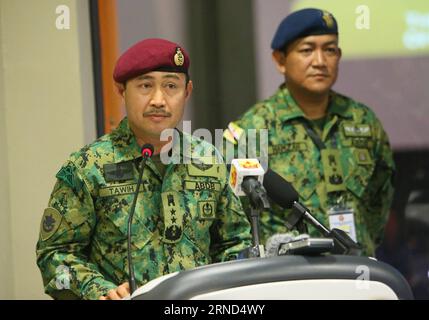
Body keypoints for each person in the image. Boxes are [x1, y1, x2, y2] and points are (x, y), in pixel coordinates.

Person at [36, 38, 252, 300]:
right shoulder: (88, 167)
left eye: (171, 86)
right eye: (145, 86)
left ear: (187, 91)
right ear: (121, 91)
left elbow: (235, 243)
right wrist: (99, 292)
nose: (158, 100)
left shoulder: (208, 159)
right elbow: (55, 255)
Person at [223, 8, 395, 256]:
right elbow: (233, 216)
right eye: (307, 50)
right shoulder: (251, 129)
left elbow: (380, 202)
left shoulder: (363, 121)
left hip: (356, 271)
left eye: (330, 50)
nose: (320, 61)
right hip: (289, 278)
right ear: (280, 60)